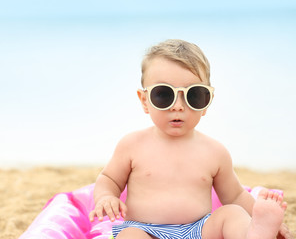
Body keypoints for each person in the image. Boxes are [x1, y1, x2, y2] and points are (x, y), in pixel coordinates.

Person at [89, 39, 291, 239]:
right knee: (129, 236)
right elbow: (109, 179)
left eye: (193, 95)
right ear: (144, 101)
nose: (178, 106)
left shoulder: (214, 151)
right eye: (163, 95)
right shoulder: (132, 145)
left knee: (231, 214)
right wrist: (106, 196)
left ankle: (256, 233)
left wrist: (258, 216)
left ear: (206, 103)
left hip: (199, 230)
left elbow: (235, 196)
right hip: (145, 230)